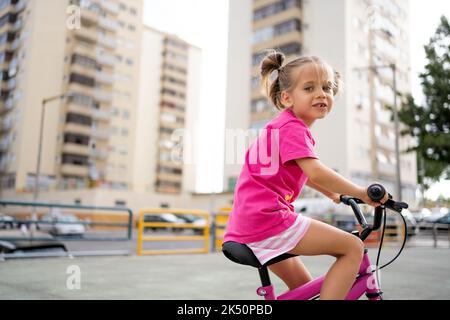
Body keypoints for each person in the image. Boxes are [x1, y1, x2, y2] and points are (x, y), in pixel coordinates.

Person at [223, 50, 389, 300]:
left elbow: (303, 173)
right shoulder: (293, 129)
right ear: (287, 98)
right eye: (309, 88)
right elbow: (315, 170)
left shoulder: (281, 125)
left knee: (303, 287)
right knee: (353, 247)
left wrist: (333, 193)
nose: (321, 93)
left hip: (247, 225)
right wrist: (362, 193)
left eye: (327, 87)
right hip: (269, 221)